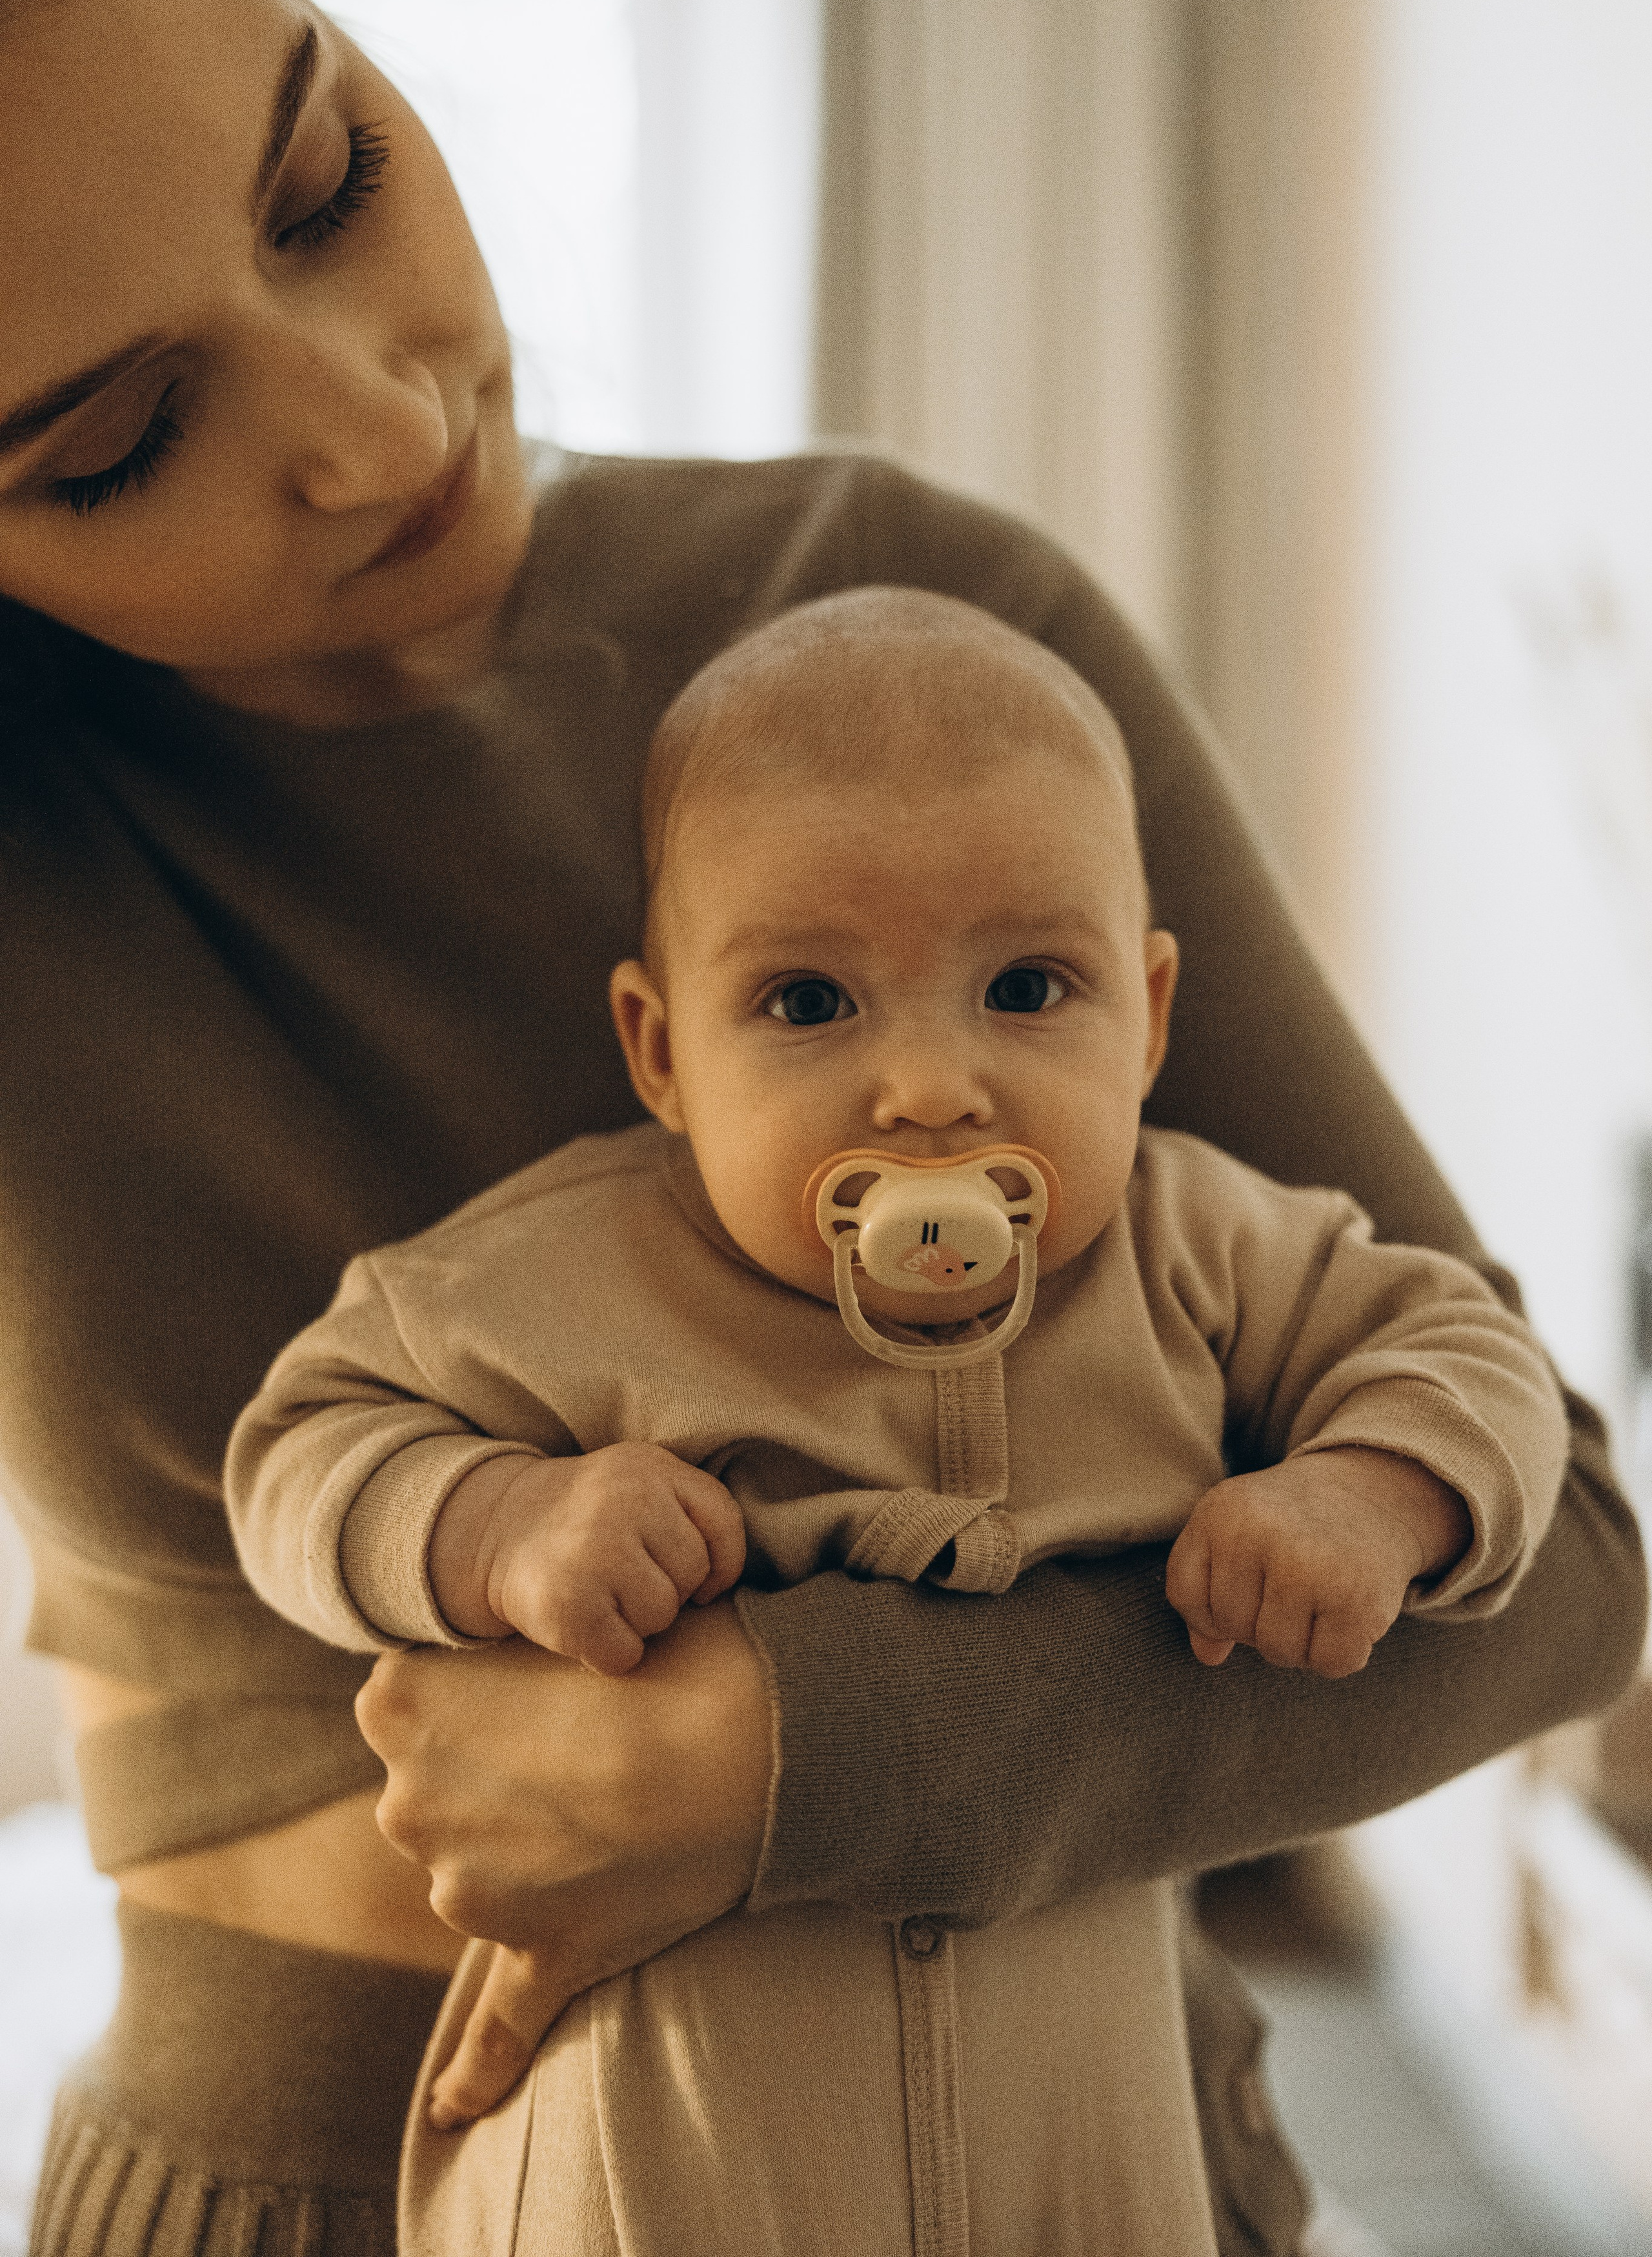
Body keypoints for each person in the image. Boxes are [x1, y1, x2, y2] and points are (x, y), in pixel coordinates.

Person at [0, 0, 1642, 2256]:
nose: (370, 419)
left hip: (1068, 2164)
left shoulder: (910, 630)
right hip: (292, 2187)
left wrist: (817, 1759)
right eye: (116, 446)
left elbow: (1566, 1567)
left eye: (327, 179)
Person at [227, 593, 1571, 2257]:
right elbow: (299, 1451)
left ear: (1148, 1020)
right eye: (807, 1004)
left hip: (1089, 2145)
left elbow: (1472, 1353)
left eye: (1026, 987)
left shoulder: (1200, 1246)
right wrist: (500, 1525)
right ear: (660, 1050)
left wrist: (1373, 1493)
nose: (931, 1088)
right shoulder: (556, 1271)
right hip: (676, 2168)